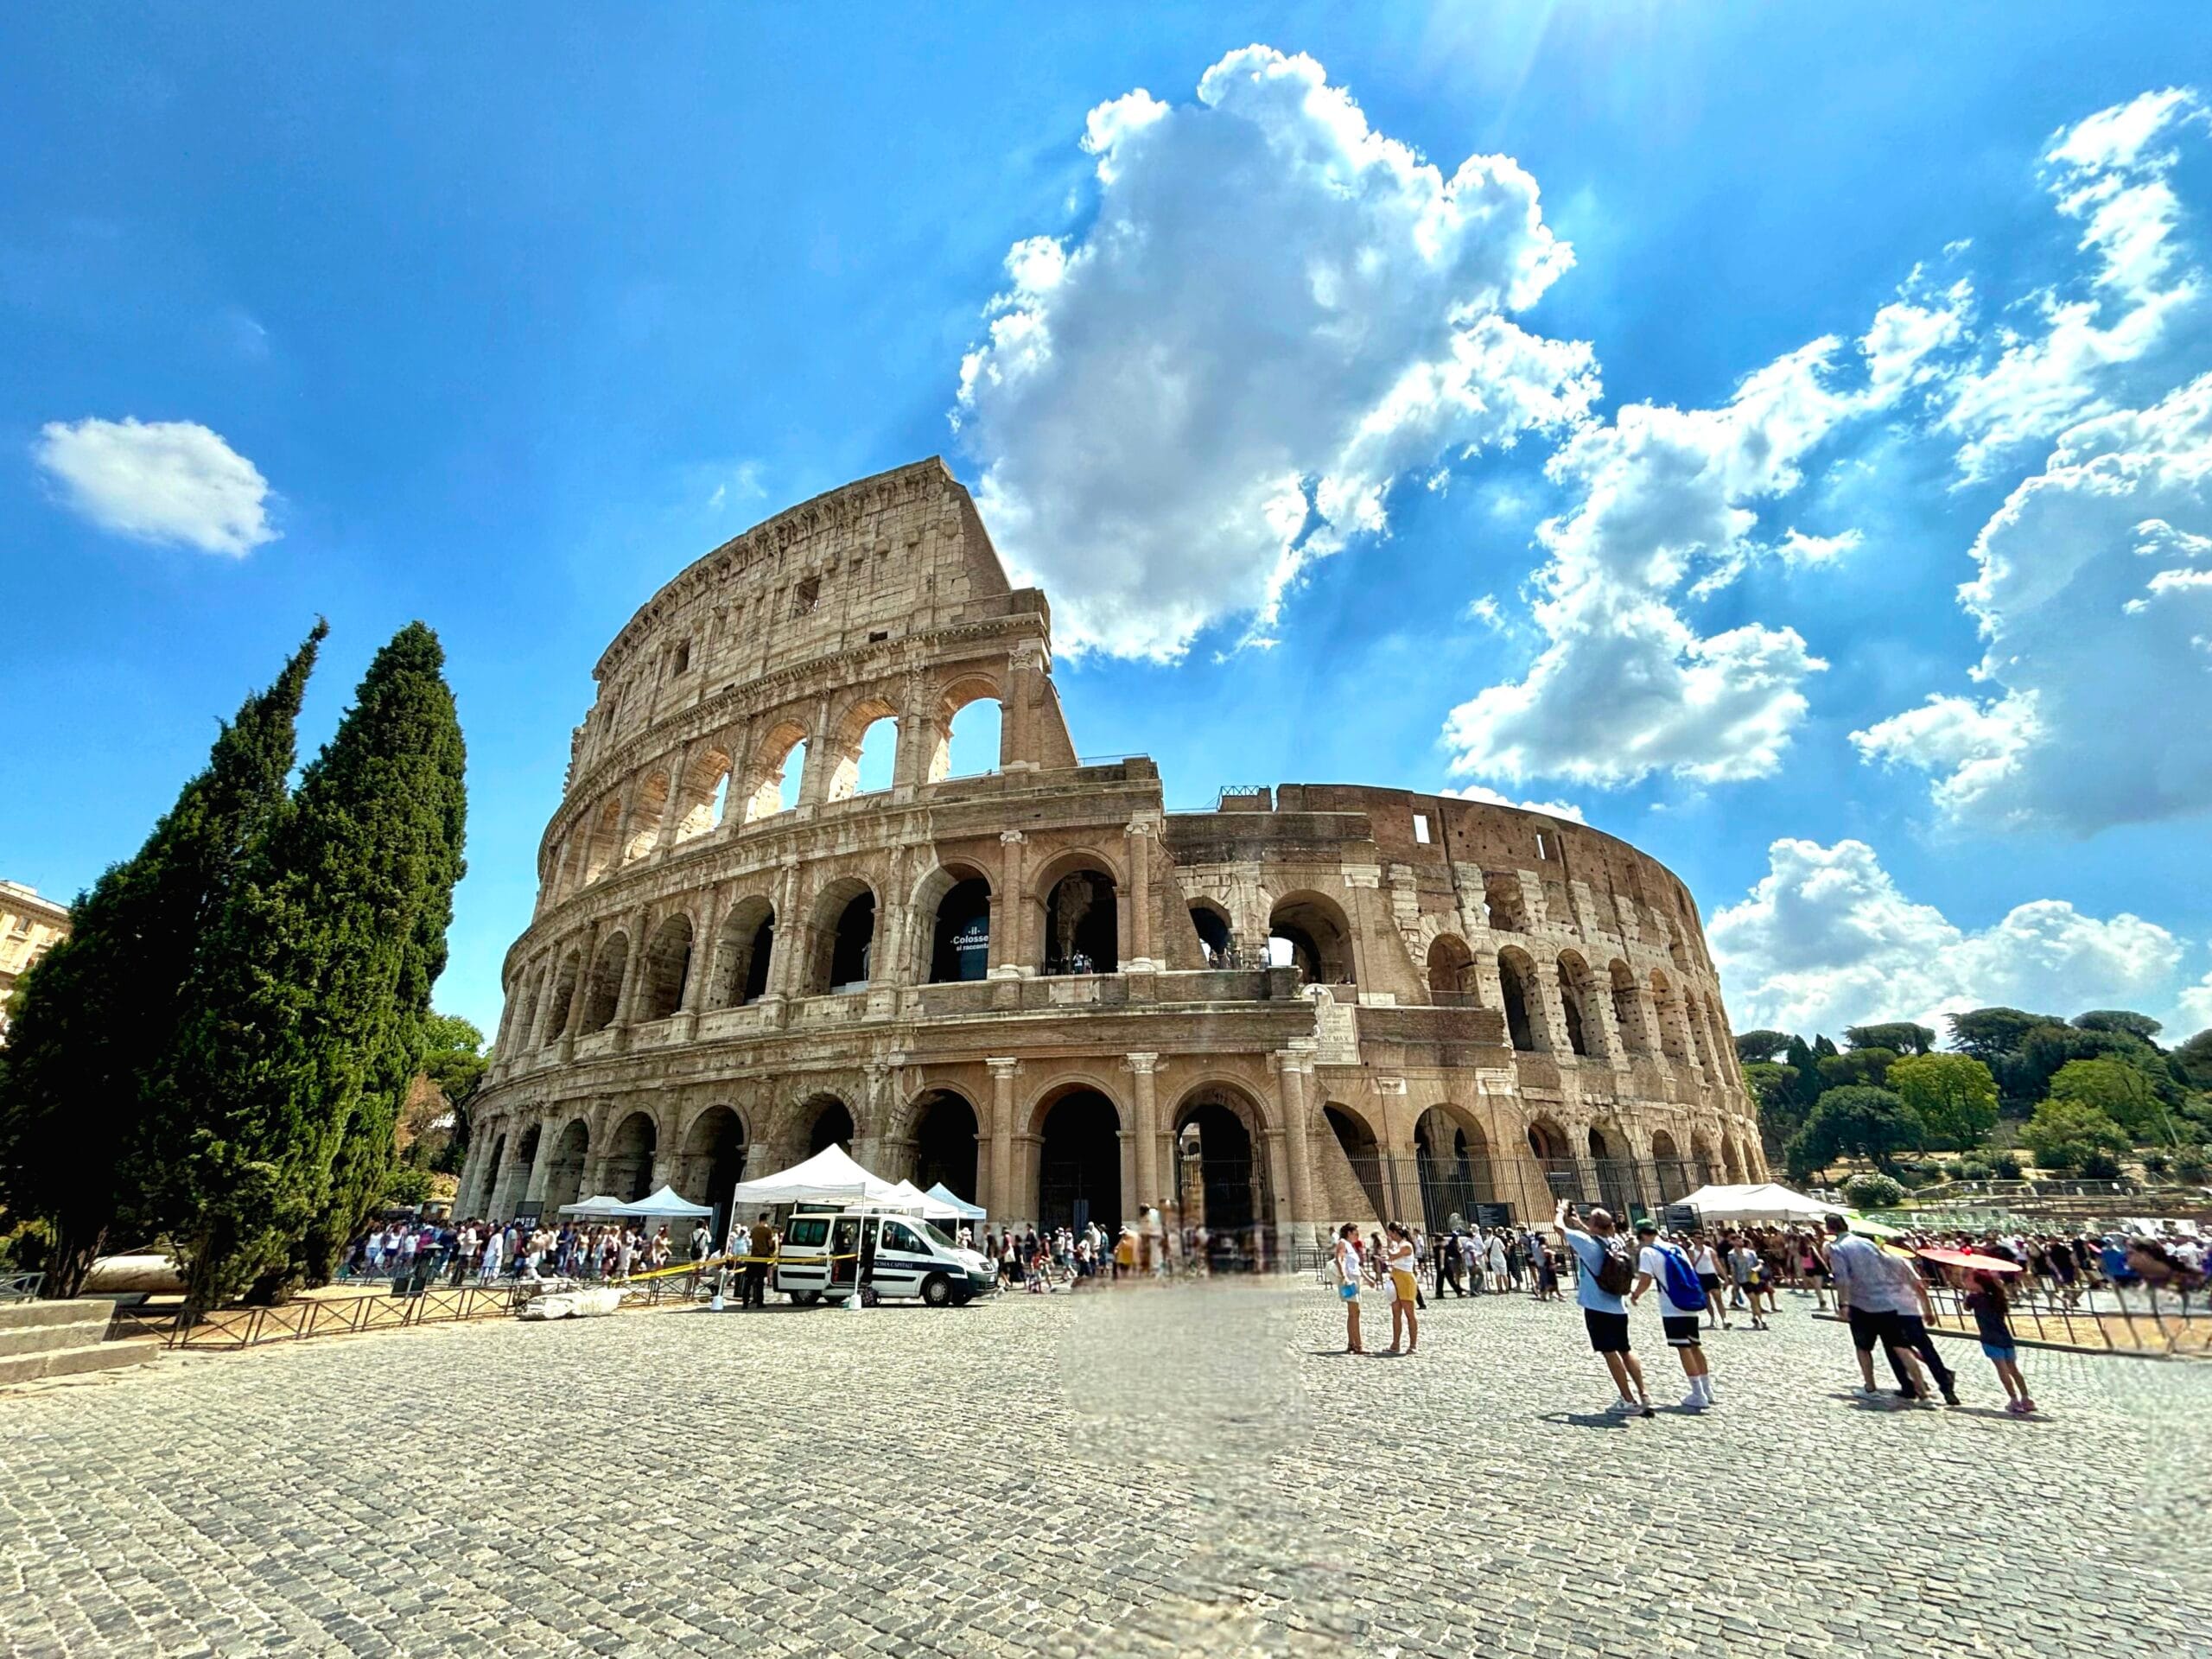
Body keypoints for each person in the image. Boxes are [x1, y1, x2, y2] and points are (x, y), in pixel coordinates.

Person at [1824, 1214, 1957, 1406]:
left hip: (1862, 1303)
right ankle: (1925, 1394)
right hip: (1888, 1303)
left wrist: (1843, 1304)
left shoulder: (1837, 1248)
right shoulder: (1870, 1246)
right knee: (1902, 1348)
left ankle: (1871, 1387)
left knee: (1864, 1347)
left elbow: (1842, 1278)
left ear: (1829, 1229)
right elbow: (1894, 1274)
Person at [1555, 1199, 1653, 1416]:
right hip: (1619, 1306)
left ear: (1594, 1226)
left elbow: (1558, 1228)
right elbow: (1597, 1234)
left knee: (1609, 1353)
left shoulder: (1586, 1244)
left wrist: (1560, 1212)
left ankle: (1628, 1400)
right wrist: (1581, 1223)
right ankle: (1644, 1394)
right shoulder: (1615, 1241)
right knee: (1626, 1350)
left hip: (1597, 1306)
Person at [1631, 1222, 1716, 1409]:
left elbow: (1645, 1279)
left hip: (1672, 1305)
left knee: (1683, 1348)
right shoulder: (1676, 1248)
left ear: (1642, 1235)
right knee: (1695, 1345)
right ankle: (1707, 1389)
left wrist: (1636, 1294)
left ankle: (1697, 1393)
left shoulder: (1648, 1252)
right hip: (1689, 1301)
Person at [1964, 1270, 2036, 1414]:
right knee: (2014, 1370)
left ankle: (2014, 1400)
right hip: (2005, 1337)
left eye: (1969, 1280)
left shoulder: (1974, 1298)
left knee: (2002, 1370)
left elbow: (1966, 1307)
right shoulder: (1997, 1296)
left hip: (1989, 1338)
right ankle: (2026, 1399)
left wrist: (1966, 1294)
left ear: (1978, 1283)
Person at [1384, 1222, 1420, 1355]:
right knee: (1396, 1313)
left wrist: (1389, 1246)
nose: (1389, 1235)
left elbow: (1393, 1256)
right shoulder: (1399, 1245)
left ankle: (1413, 1344)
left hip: (1405, 1280)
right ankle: (1395, 1344)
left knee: (1409, 1313)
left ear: (1395, 1232)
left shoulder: (1406, 1245)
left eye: (1390, 1233)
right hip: (1396, 1278)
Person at [1333, 1223, 1365, 1355]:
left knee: (1354, 1312)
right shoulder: (1342, 1243)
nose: (1358, 1235)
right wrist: (1344, 1276)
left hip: (1354, 1280)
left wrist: (1367, 1279)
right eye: (1356, 1233)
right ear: (1349, 1233)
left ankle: (1352, 1343)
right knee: (1354, 1312)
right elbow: (1338, 1260)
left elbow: (1355, 1266)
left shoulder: (1349, 1245)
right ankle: (1358, 1346)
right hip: (1349, 1281)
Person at [1728, 1234, 1770, 1330]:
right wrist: (1735, 1284)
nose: (1740, 1241)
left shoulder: (1750, 1253)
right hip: (1743, 1280)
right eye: (1737, 1240)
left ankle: (1755, 1317)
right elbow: (1733, 1270)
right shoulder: (1731, 1255)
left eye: (1741, 1240)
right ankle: (1762, 1320)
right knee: (1753, 1299)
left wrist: (1756, 1269)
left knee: (1756, 1300)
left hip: (1754, 1278)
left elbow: (1759, 1265)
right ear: (1733, 1242)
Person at [744, 1212, 776, 1309]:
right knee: (760, 1281)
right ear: (766, 1220)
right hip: (762, 1257)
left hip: (753, 1257)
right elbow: (770, 1244)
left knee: (748, 1281)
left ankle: (745, 1303)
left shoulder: (754, 1230)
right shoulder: (767, 1230)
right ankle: (759, 1302)